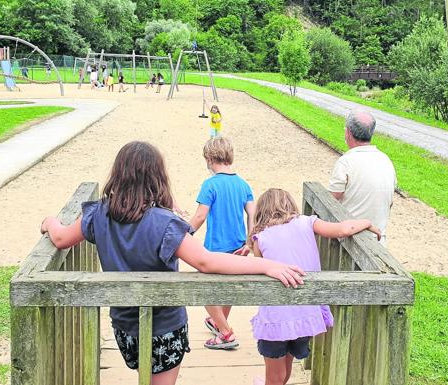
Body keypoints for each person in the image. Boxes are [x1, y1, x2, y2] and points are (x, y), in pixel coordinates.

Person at [40, 141, 305, 385]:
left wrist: (50, 222)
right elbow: (206, 261)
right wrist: (267, 265)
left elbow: (62, 238)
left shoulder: (98, 214)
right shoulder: (164, 223)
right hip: (165, 328)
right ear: (158, 177)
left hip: (125, 329)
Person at [248, 188, 380, 385]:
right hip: (305, 312)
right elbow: (344, 230)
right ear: (290, 205)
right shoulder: (307, 222)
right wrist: (367, 222)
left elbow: (261, 266)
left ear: (262, 212)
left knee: (274, 374)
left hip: (276, 316)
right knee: (287, 363)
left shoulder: (261, 239)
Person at [189, 137, 255, 350]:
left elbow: (200, 217)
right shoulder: (243, 184)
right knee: (228, 289)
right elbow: (252, 215)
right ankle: (218, 321)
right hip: (238, 246)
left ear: (209, 159)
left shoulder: (210, 185)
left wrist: (184, 235)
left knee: (207, 291)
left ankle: (226, 333)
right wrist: (249, 242)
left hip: (216, 247)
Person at [328, 110, 396, 245]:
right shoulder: (385, 160)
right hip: (378, 239)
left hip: (351, 242)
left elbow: (330, 199)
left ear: (348, 132)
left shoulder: (346, 161)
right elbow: (390, 201)